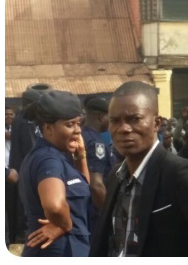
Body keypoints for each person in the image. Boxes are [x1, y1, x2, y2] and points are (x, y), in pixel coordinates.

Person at [89, 81, 188, 256]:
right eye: (114, 121)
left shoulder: (179, 174)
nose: (123, 128)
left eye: (134, 119)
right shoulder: (115, 177)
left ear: (156, 123)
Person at [18, 90, 91, 256]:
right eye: (69, 124)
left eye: (79, 124)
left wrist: (81, 158)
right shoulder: (48, 159)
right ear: (48, 128)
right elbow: (54, 206)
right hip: (58, 250)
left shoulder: (54, 156)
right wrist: (65, 225)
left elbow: (83, 190)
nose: (78, 130)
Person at [8, 89, 43, 244]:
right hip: (24, 167)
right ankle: (23, 234)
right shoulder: (25, 121)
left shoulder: (19, 118)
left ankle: (18, 233)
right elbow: (30, 147)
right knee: (24, 203)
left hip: (17, 164)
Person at [81, 96, 112, 231]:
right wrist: (109, 214)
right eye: (110, 118)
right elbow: (96, 185)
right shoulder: (96, 143)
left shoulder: (79, 135)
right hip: (94, 210)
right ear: (101, 117)